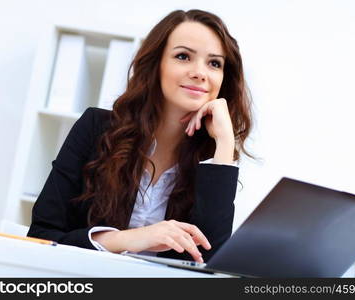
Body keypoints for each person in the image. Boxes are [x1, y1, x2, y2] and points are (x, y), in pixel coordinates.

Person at [27, 9, 253, 264]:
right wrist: (128, 239)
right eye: (183, 56)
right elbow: (41, 236)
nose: (200, 72)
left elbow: (208, 263)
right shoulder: (96, 128)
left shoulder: (213, 161)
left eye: (214, 63)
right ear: (156, 65)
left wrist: (224, 144)